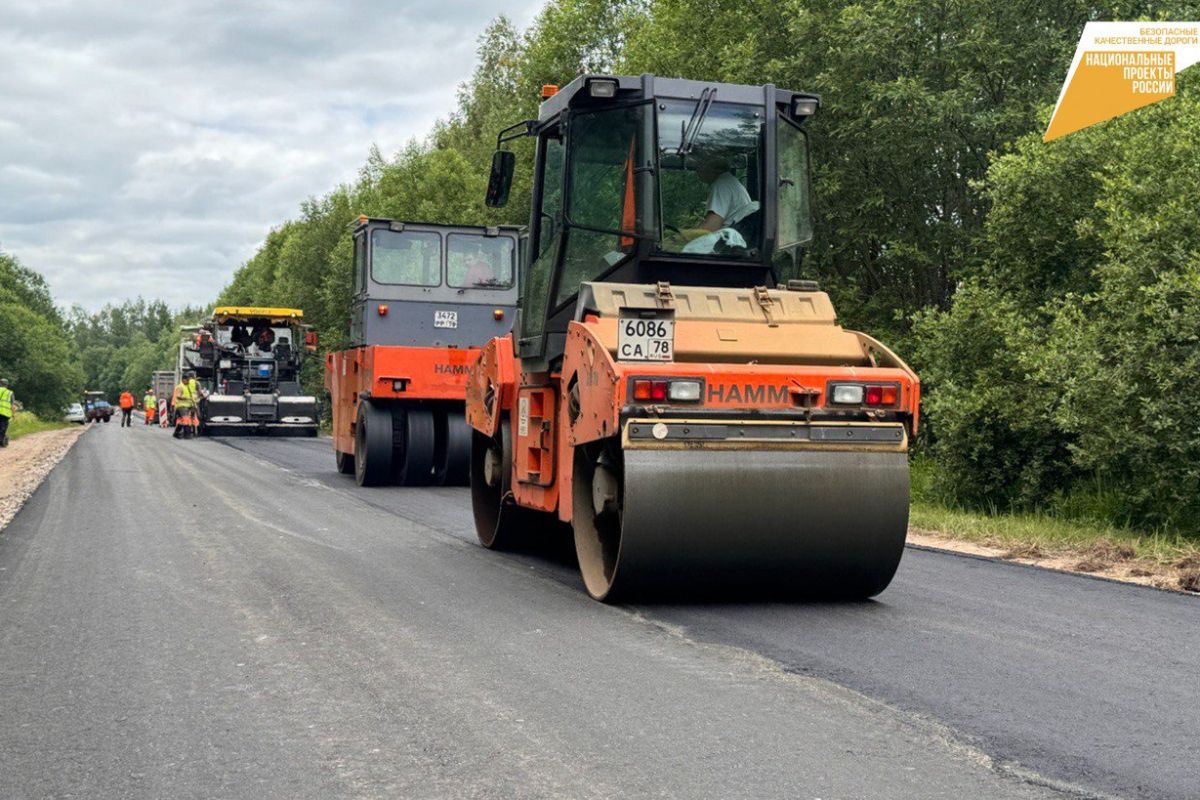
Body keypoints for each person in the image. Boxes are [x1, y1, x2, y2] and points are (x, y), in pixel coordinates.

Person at [0, 378, 13, 448]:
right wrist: (14, 414)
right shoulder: (10, 393)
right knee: (3, 427)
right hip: (5, 414)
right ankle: (1, 441)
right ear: (7, 385)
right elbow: (12, 405)